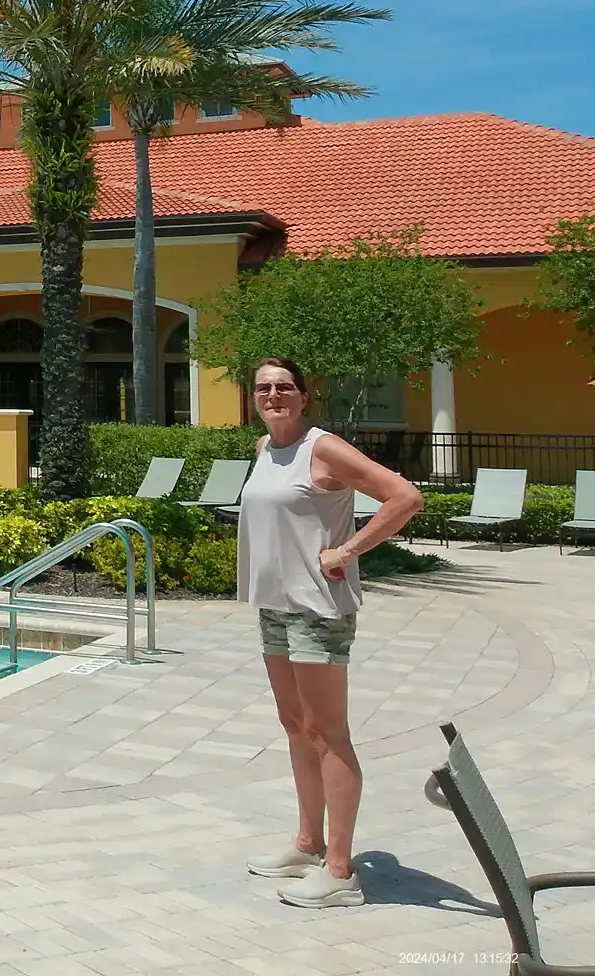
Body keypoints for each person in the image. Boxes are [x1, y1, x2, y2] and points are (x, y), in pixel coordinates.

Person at [237, 356, 423, 908]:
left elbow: (405, 497)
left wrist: (347, 550)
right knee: (295, 725)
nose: (273, 395)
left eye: (284, 387)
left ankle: (340, 871)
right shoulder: (265, 448)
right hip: (274, 606)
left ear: (303, 395)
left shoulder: (323, 448)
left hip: (317, 609)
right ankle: (308, 844)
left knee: (326, 732)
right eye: (264, 387)